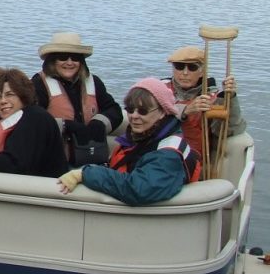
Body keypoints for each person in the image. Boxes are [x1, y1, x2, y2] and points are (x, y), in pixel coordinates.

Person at [58, 77, 201, 205]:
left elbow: (138, 189)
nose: (134, 116)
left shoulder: (169, 156)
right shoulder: (146, 138)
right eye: (130, 109)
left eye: (143, 111)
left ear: (163, 112)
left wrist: (85, 174)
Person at [31, 32, 123, 165]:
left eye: (75, 58)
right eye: (62, 57)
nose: (69, 63)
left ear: (81, 61)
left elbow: (114, 110)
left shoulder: (94, 82)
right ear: (52, 60)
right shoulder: (39, 84)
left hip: (91, 158)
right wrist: (66, 126)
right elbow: (33, 119)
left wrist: (98, 123)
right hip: (53, 162)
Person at [164, 45, 245, 157]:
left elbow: (229, 130)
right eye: (179, 66)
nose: (185, 72)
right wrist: (185, 110)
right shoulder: (160, 90)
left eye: (192, 67)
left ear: (202, 72)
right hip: (161, 152)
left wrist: (229, 98)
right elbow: (149, 118)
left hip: (192, 159)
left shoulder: (211, 98)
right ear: (173, 69)